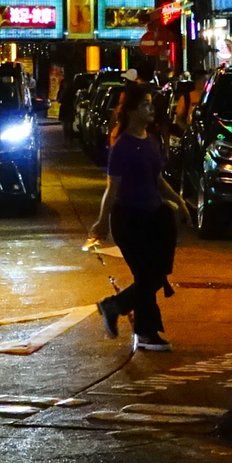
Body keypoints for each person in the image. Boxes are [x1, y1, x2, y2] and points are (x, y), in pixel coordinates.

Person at [94, 80, 174, 352]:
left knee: (153, 275)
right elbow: (112, 188)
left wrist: (179, 202)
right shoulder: (122, 146)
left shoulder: (151, 141)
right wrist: (102, 221)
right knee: (148, 276)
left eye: (151, 105)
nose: (151, 109)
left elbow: (158, 179)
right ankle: (131, 320)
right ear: (131, 111)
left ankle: (133, 321)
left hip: (153, 217)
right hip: (128, 219)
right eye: (145, 105)